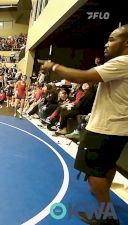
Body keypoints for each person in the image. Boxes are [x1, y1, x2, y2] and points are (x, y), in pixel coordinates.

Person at [39, 24, 128, 225]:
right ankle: (104, 200)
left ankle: (107, 217)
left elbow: (82, 76)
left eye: (113, 39)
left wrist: (53, 67)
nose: (107, 43)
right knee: (107, 167)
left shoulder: (122, 62)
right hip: (118, 129)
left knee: (93, 172)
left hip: (104, 128)